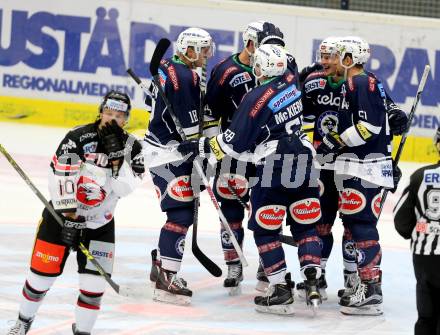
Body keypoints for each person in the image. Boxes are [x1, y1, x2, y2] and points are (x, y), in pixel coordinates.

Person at [178, 44, 323, 314]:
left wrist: (199, 147)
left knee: (266, 228)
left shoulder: (255, 98)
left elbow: (233, 142)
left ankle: (280, 289)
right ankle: (313, 278)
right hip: (305, 161)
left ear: (262, 68)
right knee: (306, 225)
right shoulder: (291, 81)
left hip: (273, 166)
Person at [7, 91, 144, 335]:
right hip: (60, 218)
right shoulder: (78, 137)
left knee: (94, 287)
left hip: (99, 225)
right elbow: (60, 175)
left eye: (119, 116)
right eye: (108, 113)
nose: (112, 119)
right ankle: (22, 322)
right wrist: (69, 218)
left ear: (126, 119)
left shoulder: (133, 147)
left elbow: (125, 188)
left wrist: (116, 161)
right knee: (41, 278)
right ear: (100, 111)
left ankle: (82, 332)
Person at [316, 36, 396, 316]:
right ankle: (363, 284)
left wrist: (334, 141)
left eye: (339, 56)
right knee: (353, 224)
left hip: (364, 166)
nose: (334, 60)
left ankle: (371, 288)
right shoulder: (364, 81)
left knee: (361, 224)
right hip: (362, 166)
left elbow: (369, 127)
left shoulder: (358, 82)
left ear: (349, 59)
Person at [144, 27, 214, 305]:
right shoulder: (185, 77)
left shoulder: (167, 66)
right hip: (168, 154)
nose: (208, 54)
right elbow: (190, 127)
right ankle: (167, 278)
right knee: (181, 215)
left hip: (160, 147)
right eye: (203, 49)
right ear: (189, 50)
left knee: (181, 210)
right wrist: (204, 153)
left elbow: (150, 100)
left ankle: (161, 263)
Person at [203, 20, 264, 295]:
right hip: (233, 152)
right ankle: (233, 263)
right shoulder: (225, 71)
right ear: (250, 44)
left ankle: (267, 263)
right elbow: (210, 113)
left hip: (266, 152)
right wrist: (215, 150)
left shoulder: (277, 67)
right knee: (230, 211)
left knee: (267, 210)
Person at [394, 127, 440, 335]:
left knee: (426, 315)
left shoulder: (420, 176)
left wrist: (421, 232)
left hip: (425, 255)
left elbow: (400, 219)